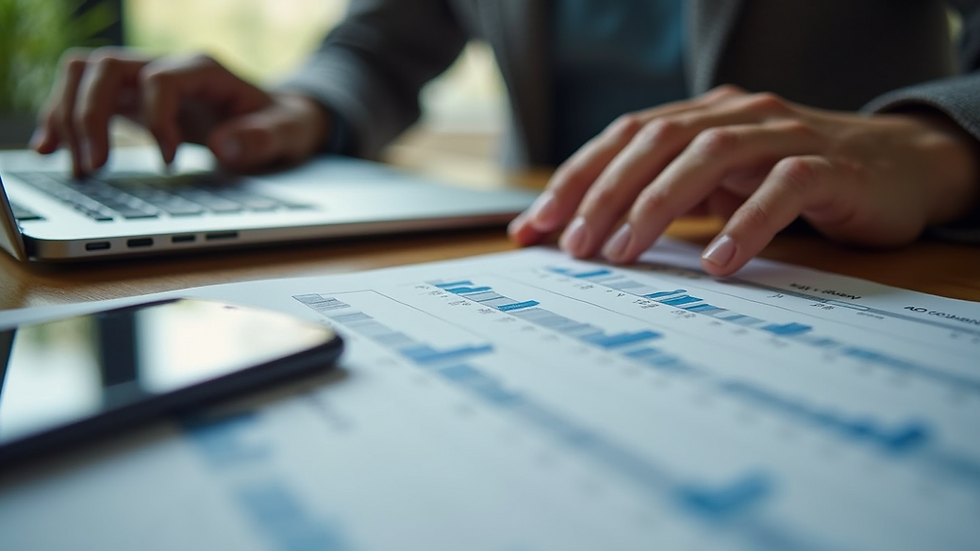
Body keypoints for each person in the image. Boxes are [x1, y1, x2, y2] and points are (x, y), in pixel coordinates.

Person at [29, 1, 980, 276]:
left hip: (841, 259)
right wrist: (298, 108)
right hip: (561, 250)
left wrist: (937, 144)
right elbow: (381, 41)